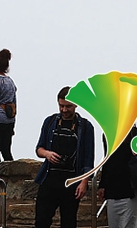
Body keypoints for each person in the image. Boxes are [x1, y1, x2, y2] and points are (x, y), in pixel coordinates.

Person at [34, 86, 95, 228]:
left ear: (76, 105)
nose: (64, 110)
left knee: (69, 222)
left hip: (71, 182)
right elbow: (39, 149)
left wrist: (84, 182)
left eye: (68, 106)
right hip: (49, 180)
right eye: (61, 106)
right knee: (41, 221)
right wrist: (47, 154)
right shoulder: (50, 122)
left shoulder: (86, 127)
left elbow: (88, 159)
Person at [97, 125, 137, 228]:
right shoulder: (108, 134)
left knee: (128, 224)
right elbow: (107, 160)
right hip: (112, 189)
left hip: (131, 189)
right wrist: (102, 185)